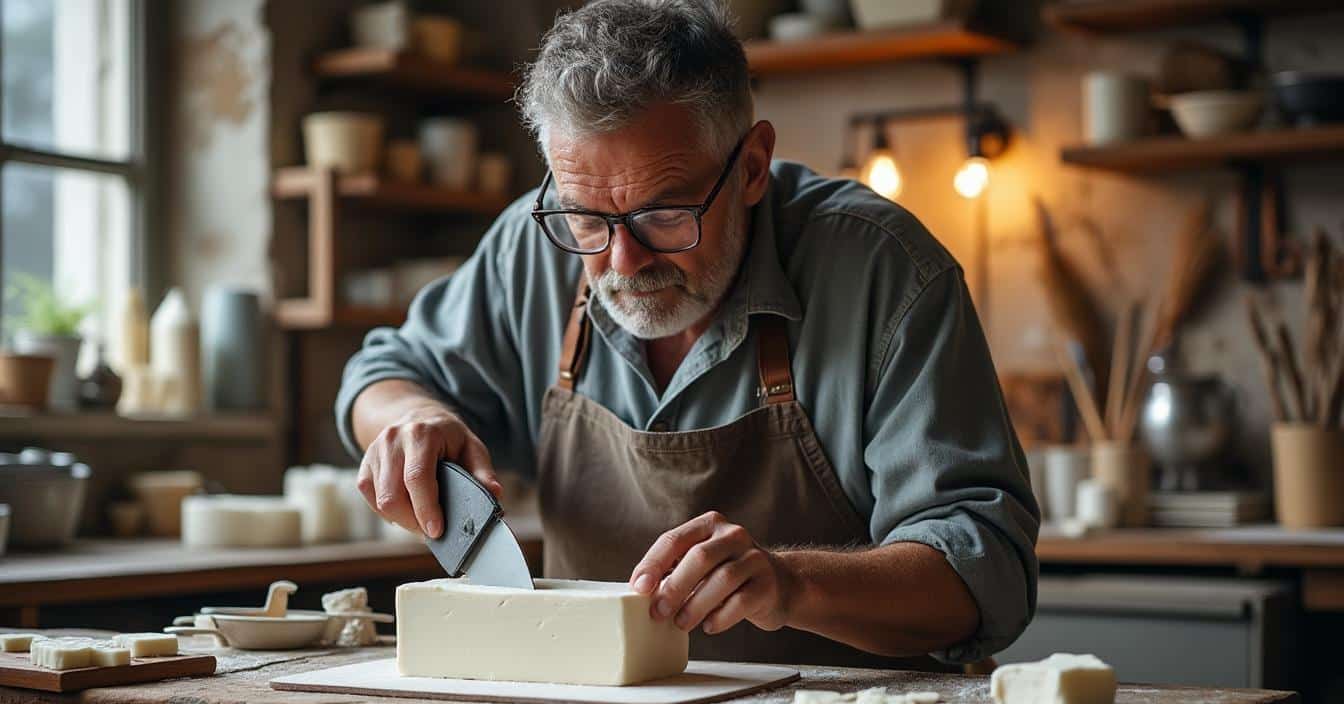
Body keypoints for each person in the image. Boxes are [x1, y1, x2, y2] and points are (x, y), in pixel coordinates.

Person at [338, 0, 1039, 669]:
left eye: (664, 214)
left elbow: (985, 570)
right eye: (586, 219)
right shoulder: (533, 245)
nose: (622, 262)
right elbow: (384, 372)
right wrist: (410, 417)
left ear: (754, 166)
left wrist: (790, 584)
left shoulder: (886, 272)